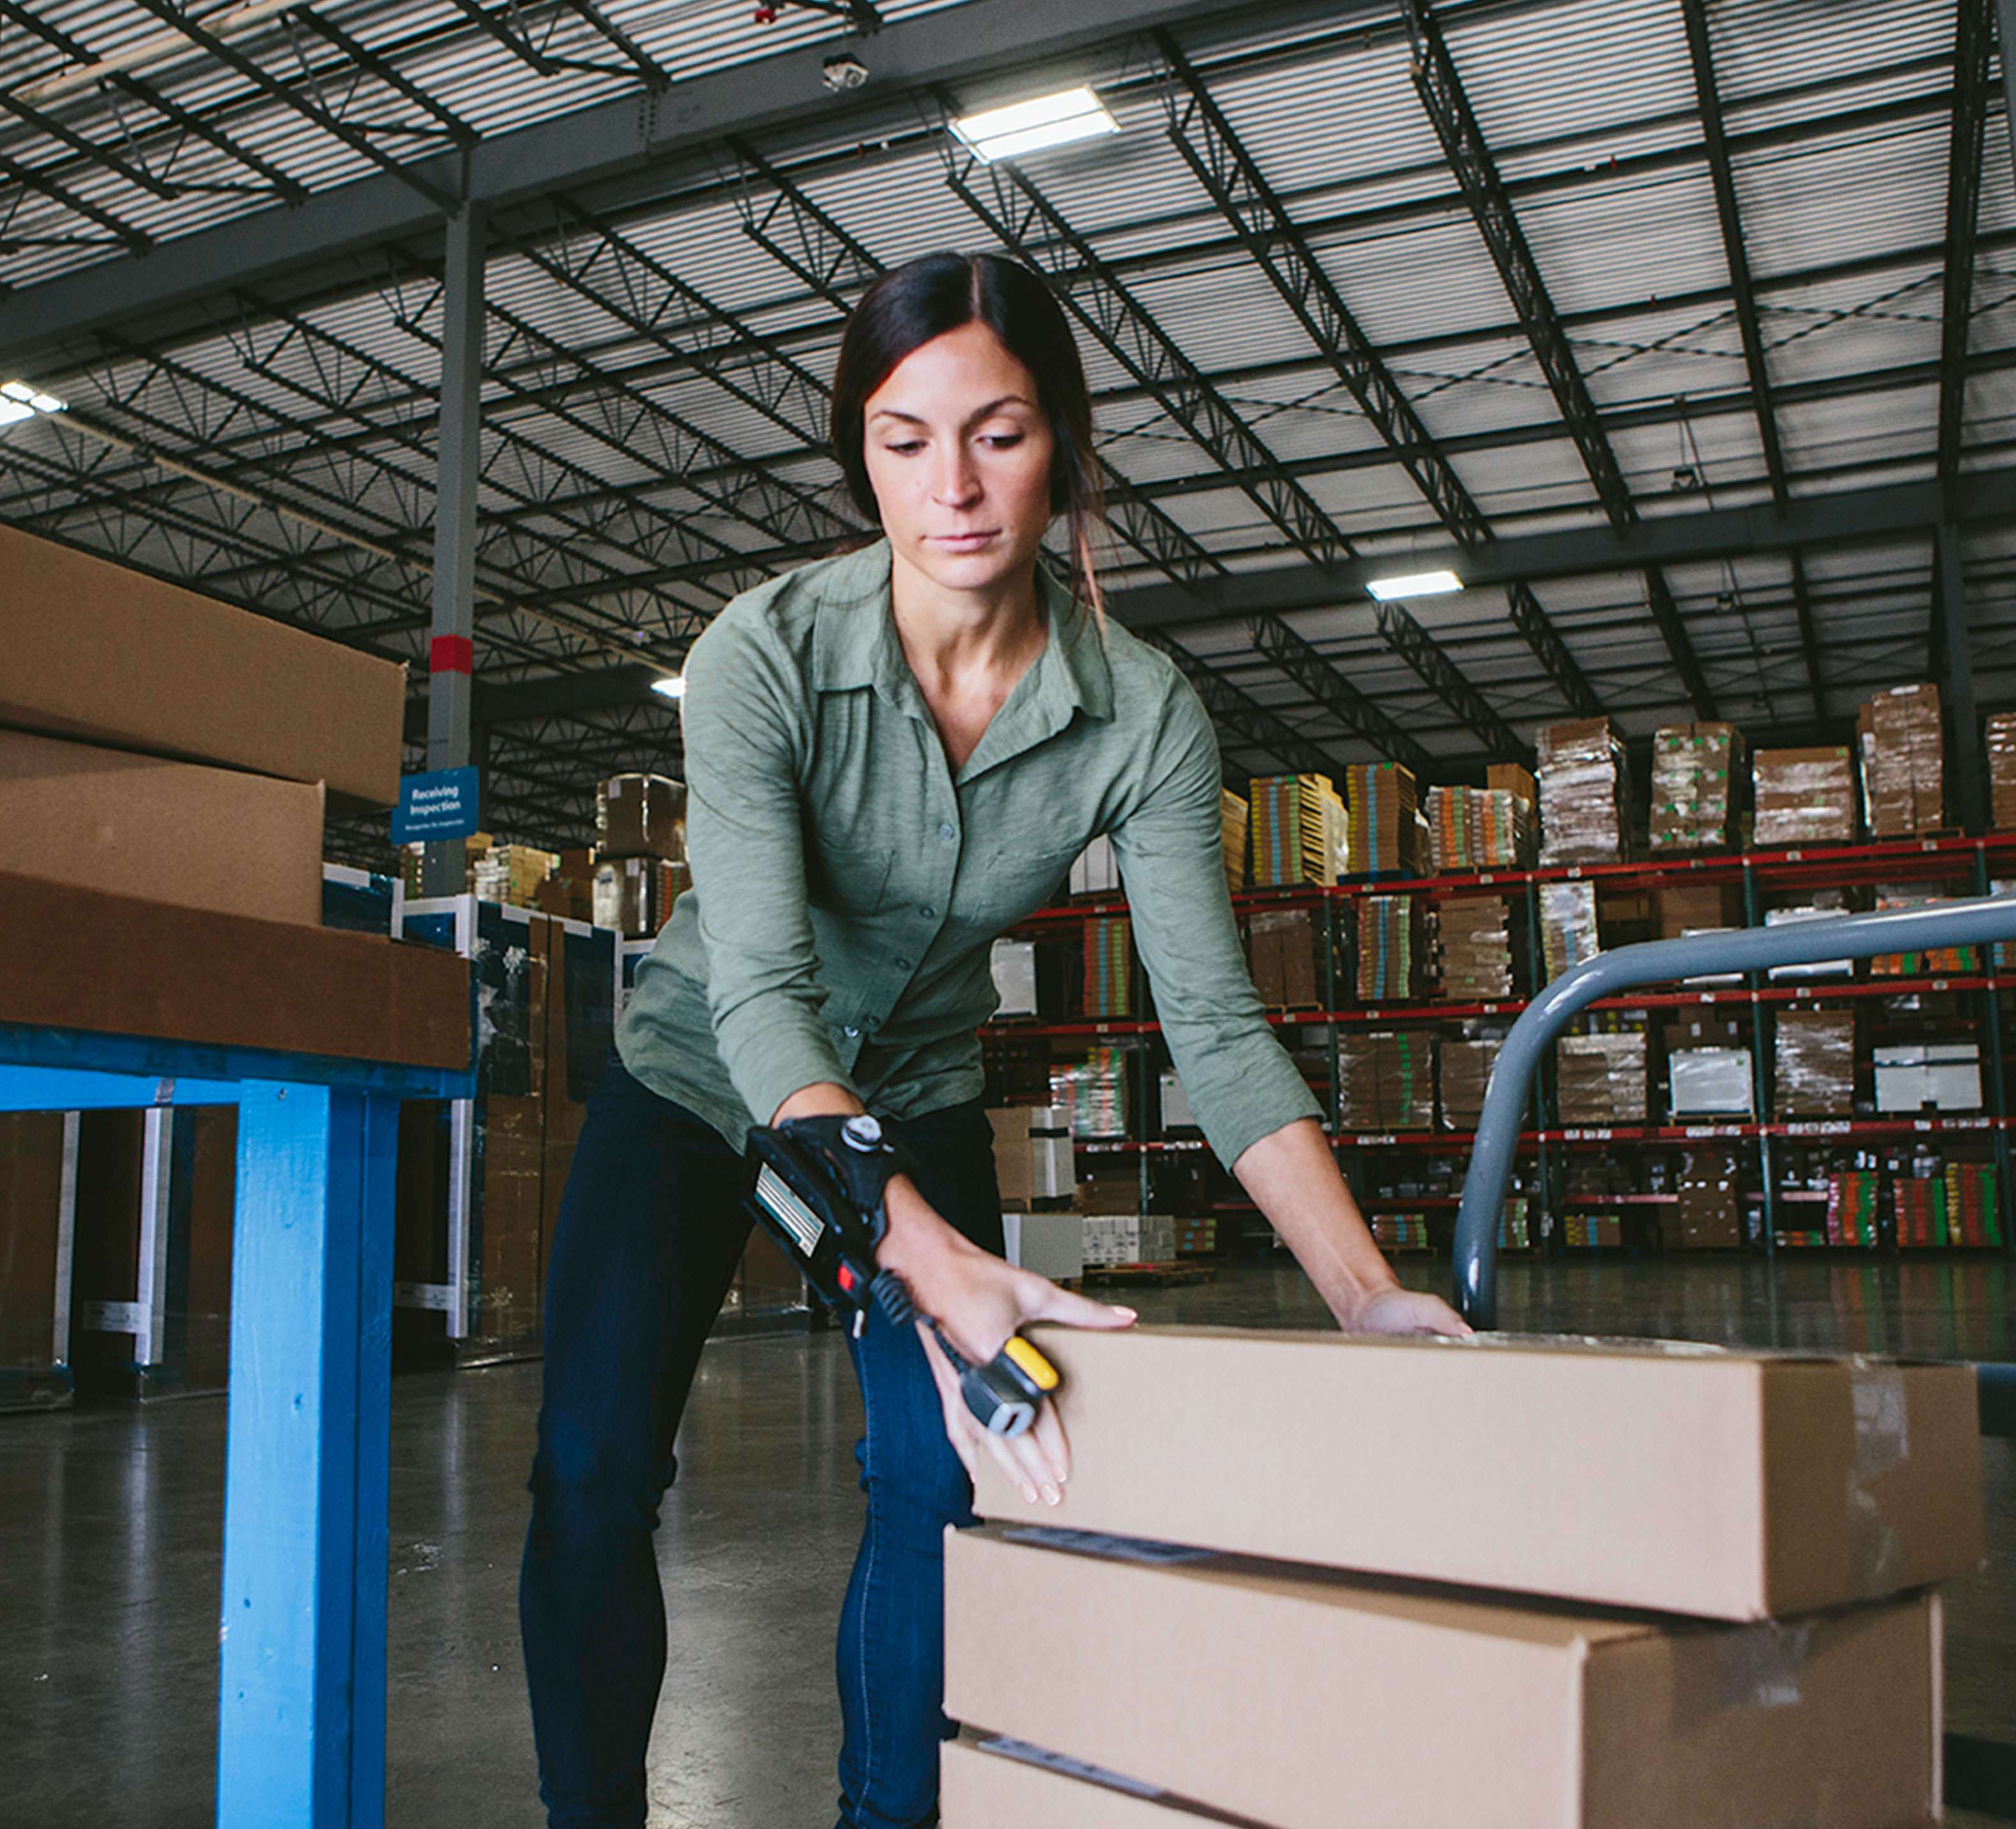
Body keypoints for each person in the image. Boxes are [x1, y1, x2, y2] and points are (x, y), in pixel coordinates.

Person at [519, 249, 1469, 1829]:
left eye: (1000, 434)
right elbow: (760, 997)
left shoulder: (1143, 712)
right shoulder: (764, 653)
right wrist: (922, 1253)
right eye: (904, 441)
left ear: (1065, 447)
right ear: (862, 458)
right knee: (592, 1473)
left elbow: (1216, 1028)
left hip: (917, 1087)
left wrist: (1365, 1297)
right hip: (702, 1078)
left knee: (944, 1467)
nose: (952, 487)